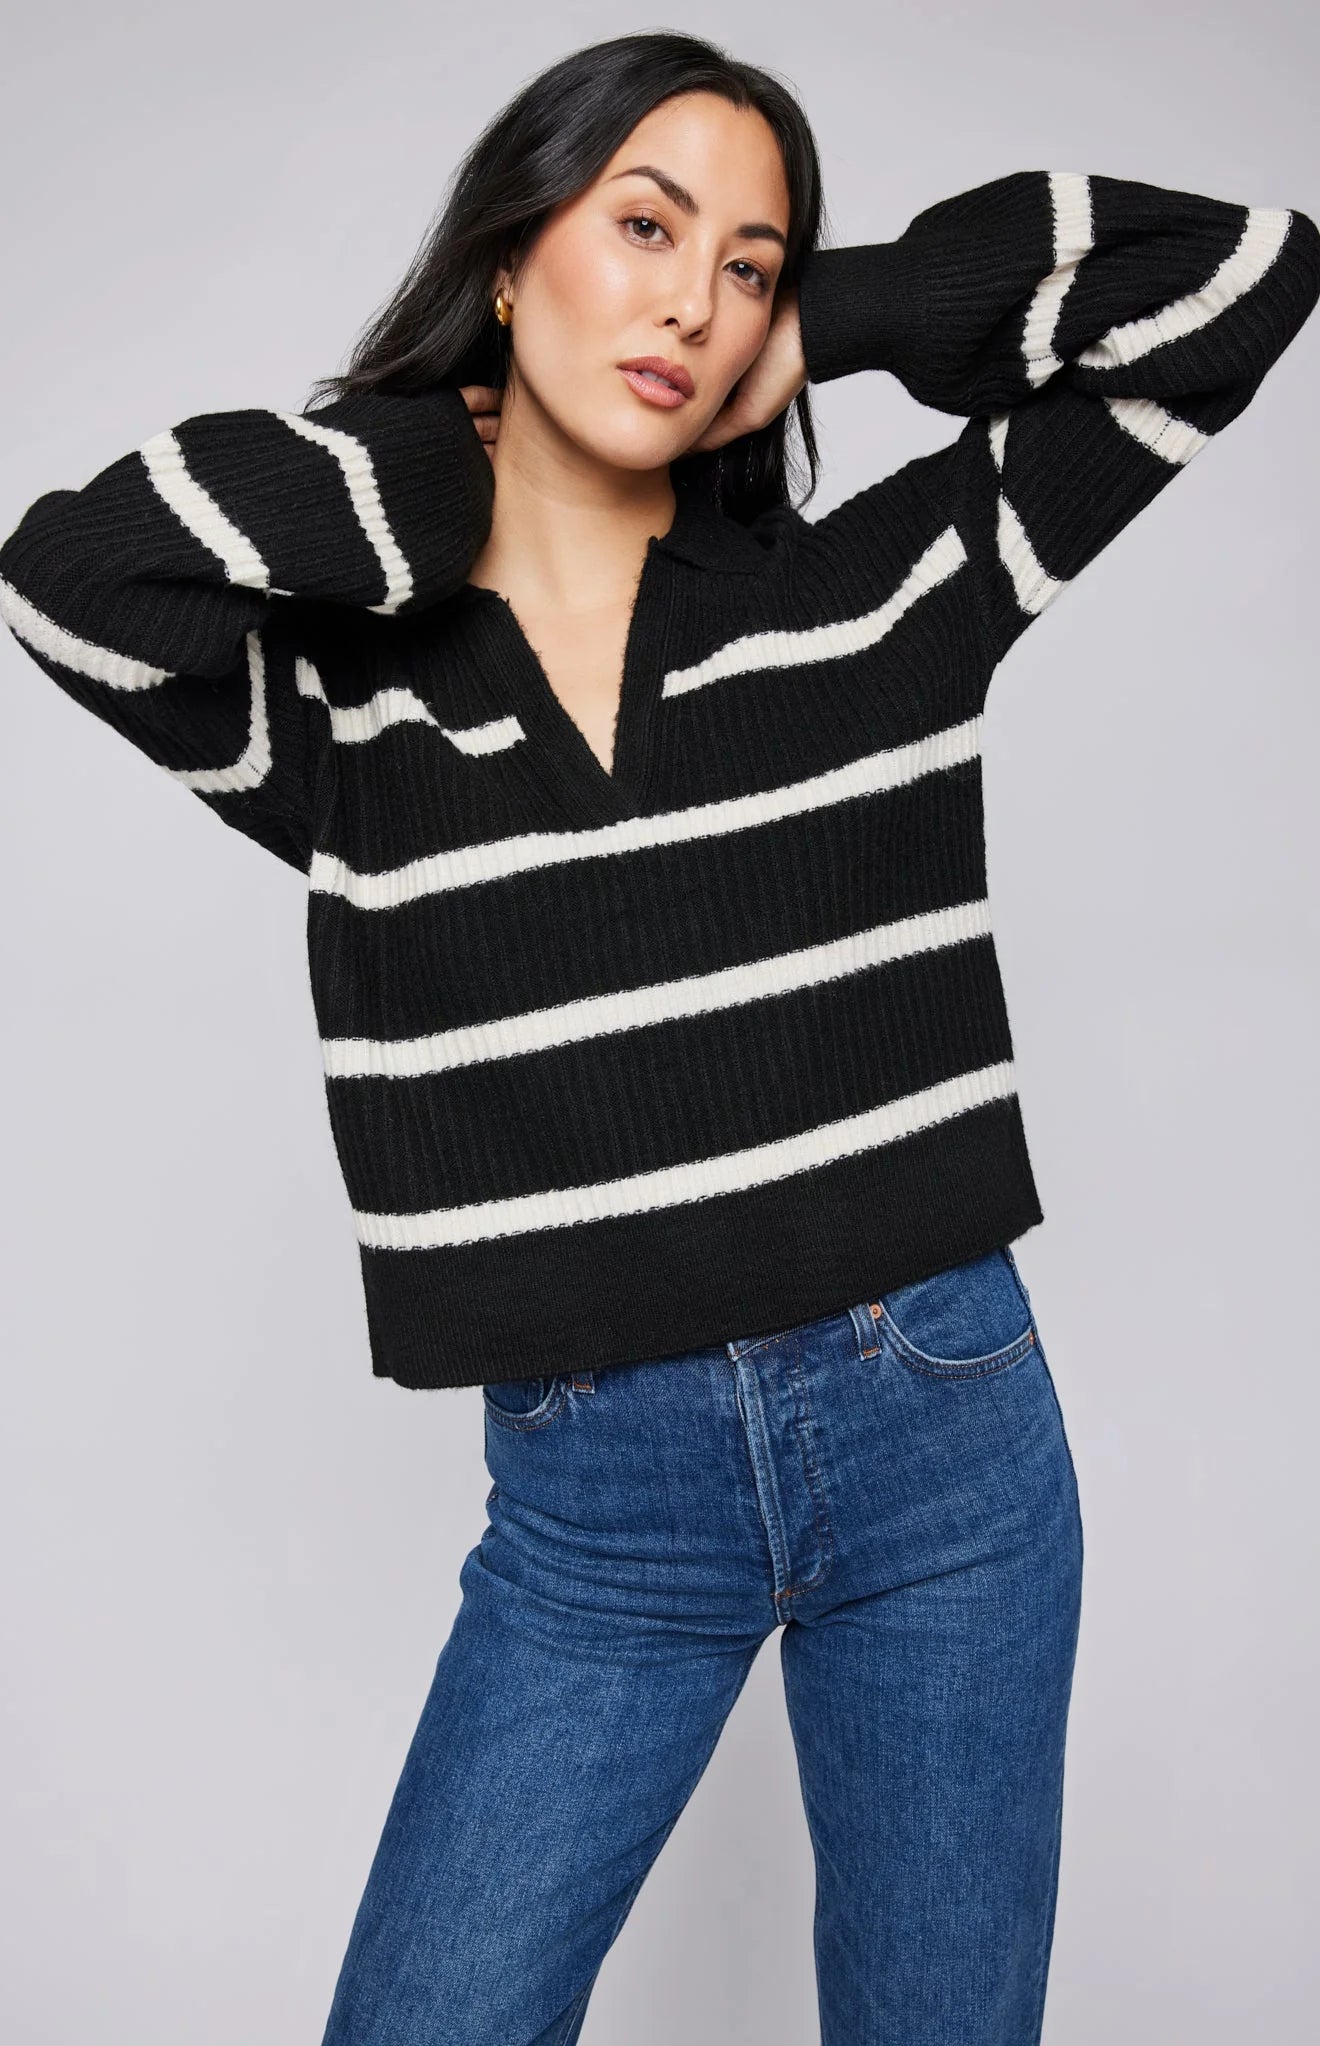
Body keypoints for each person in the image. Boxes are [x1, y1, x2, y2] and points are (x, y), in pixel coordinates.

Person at [2, 27, 1316, 2046]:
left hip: (945, 1449)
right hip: (595, 1505)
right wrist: (434, 464)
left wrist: (841, 318)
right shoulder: (352, 716)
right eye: (643, 226)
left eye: (748, 261)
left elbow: (1240, 280)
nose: (696, 299)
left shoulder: (885, 592)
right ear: (512, 252)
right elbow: (74, 575)